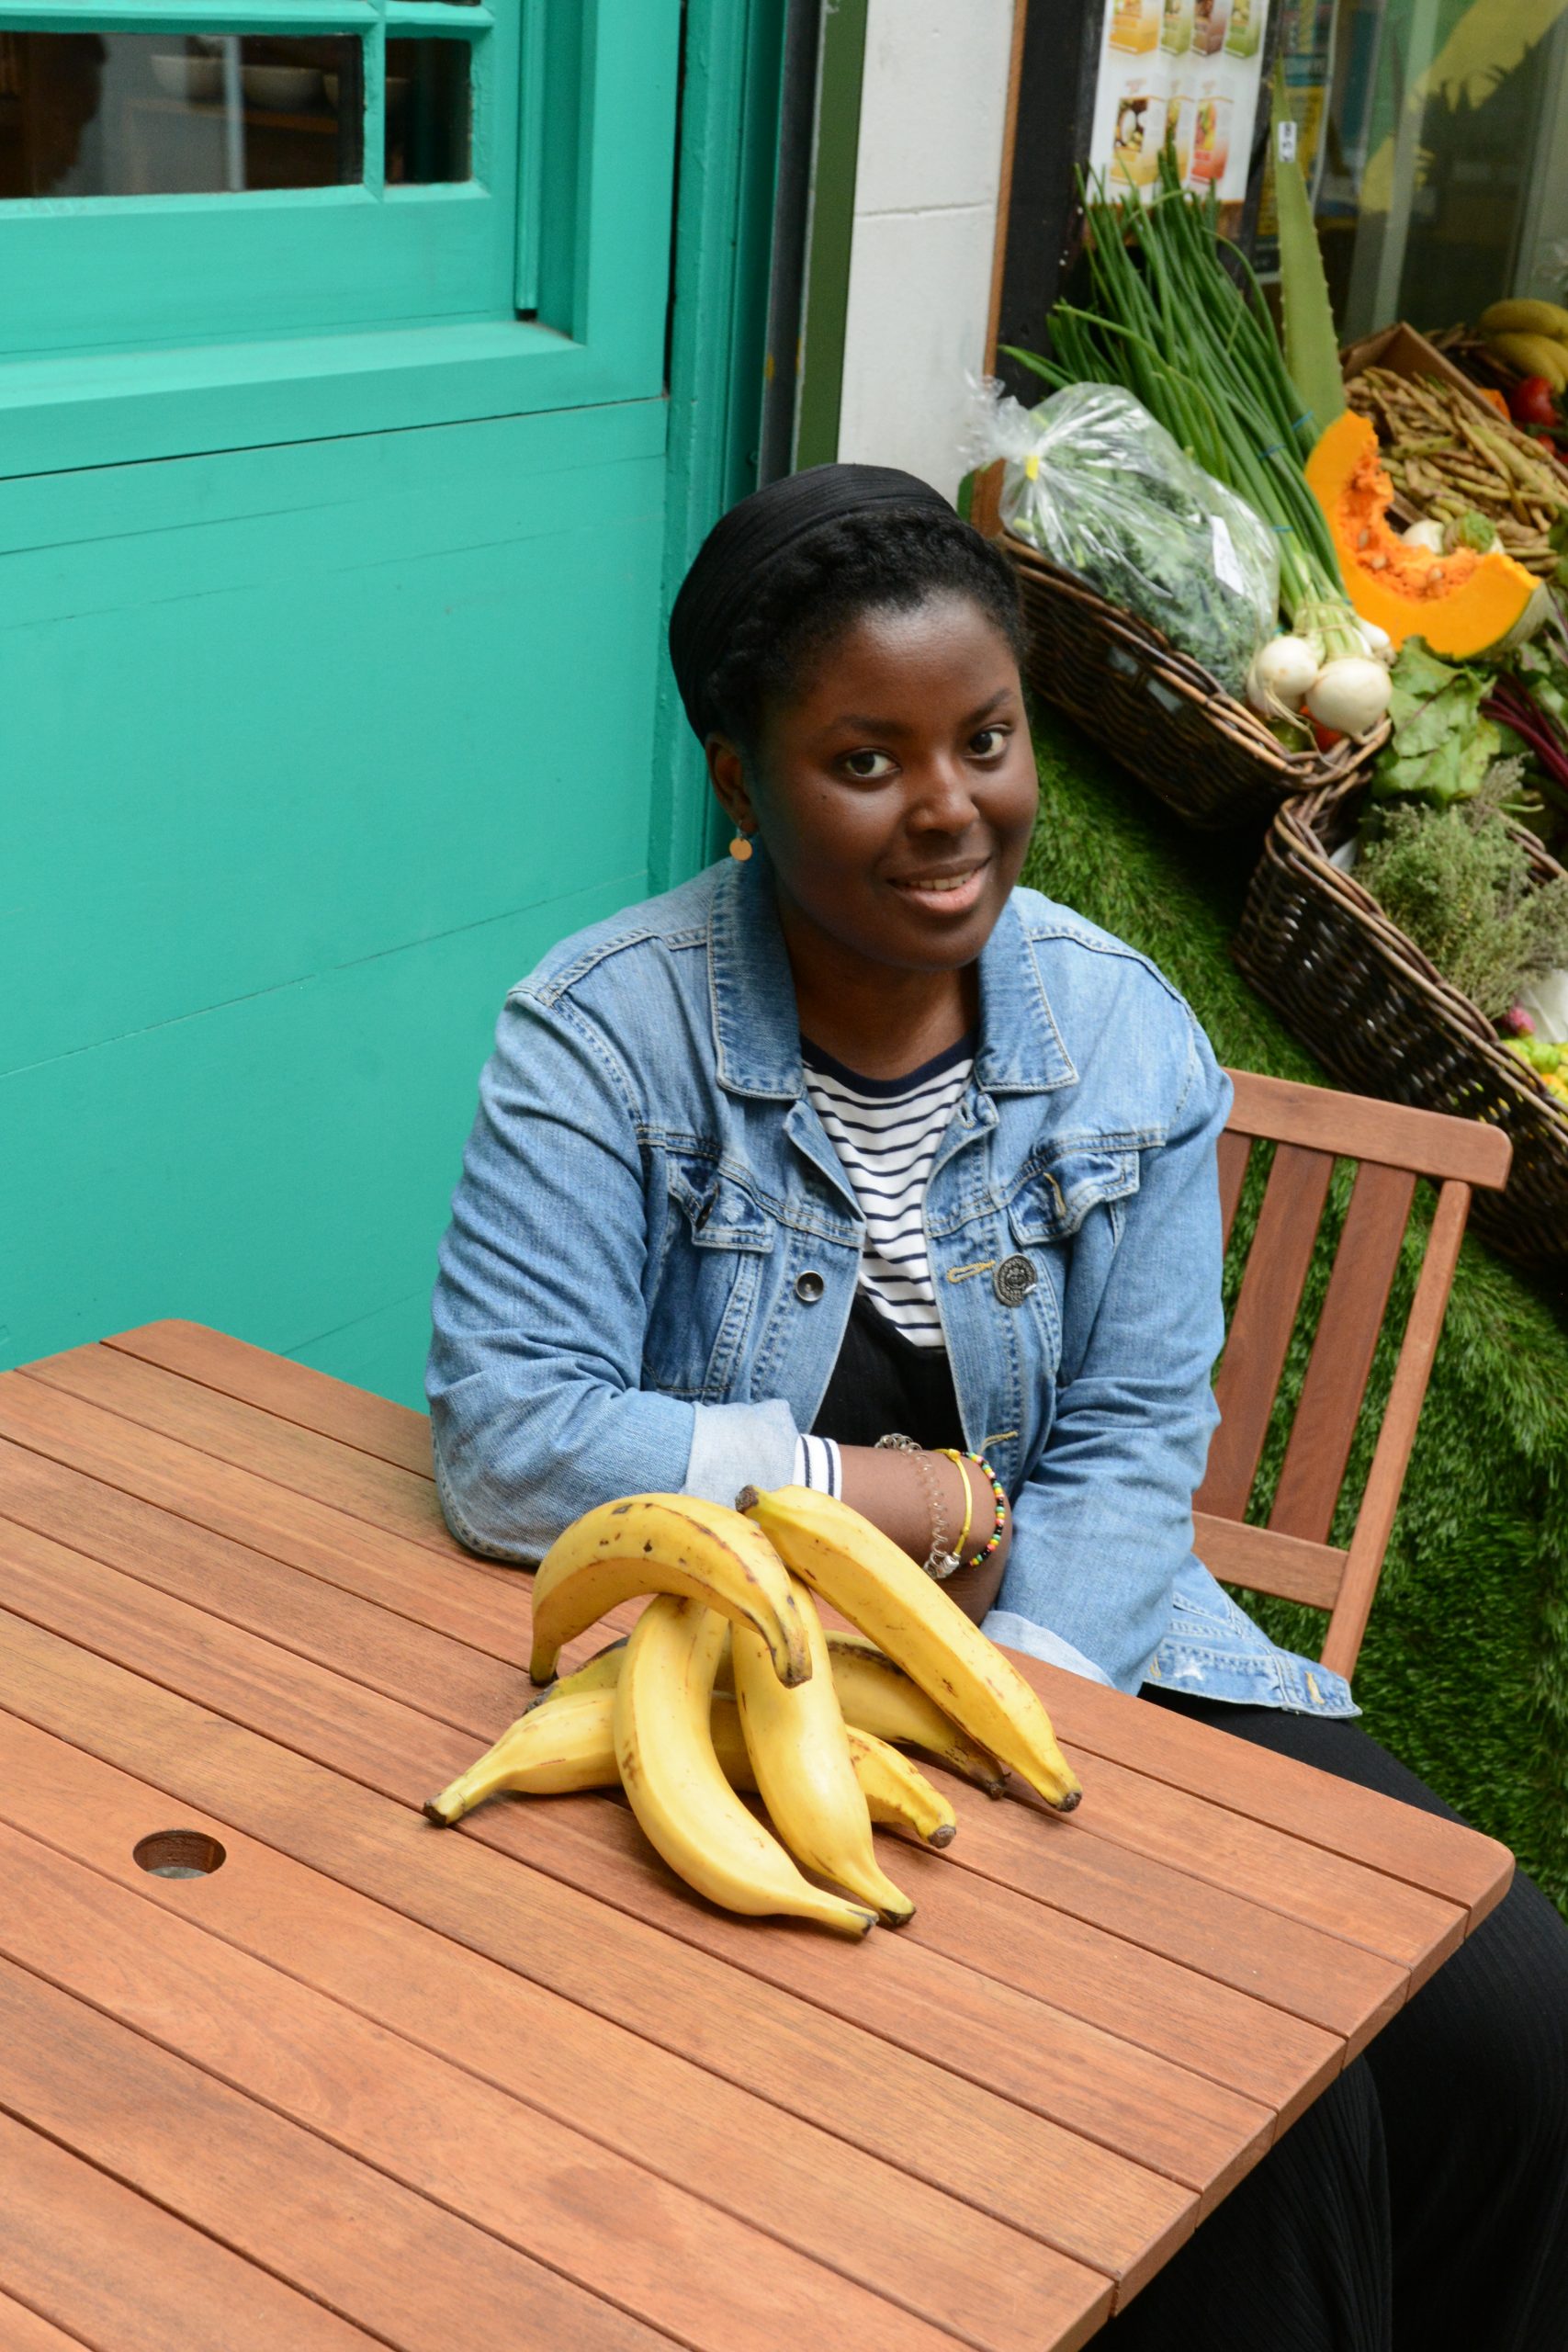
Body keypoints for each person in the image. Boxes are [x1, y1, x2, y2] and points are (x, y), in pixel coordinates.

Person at [428, 463, 1568, 2348]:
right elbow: (510, 1435)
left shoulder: (1120, 1034)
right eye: (862, 759)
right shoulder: (604, 1033)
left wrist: (1011, 1695)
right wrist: (898, 1492)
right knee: (1263, 2135)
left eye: (983, 738)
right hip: (744, 1673)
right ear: (737, 779)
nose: (945, 807)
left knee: (1520, 2032)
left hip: (1097, 1651)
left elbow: (1126, 1464)